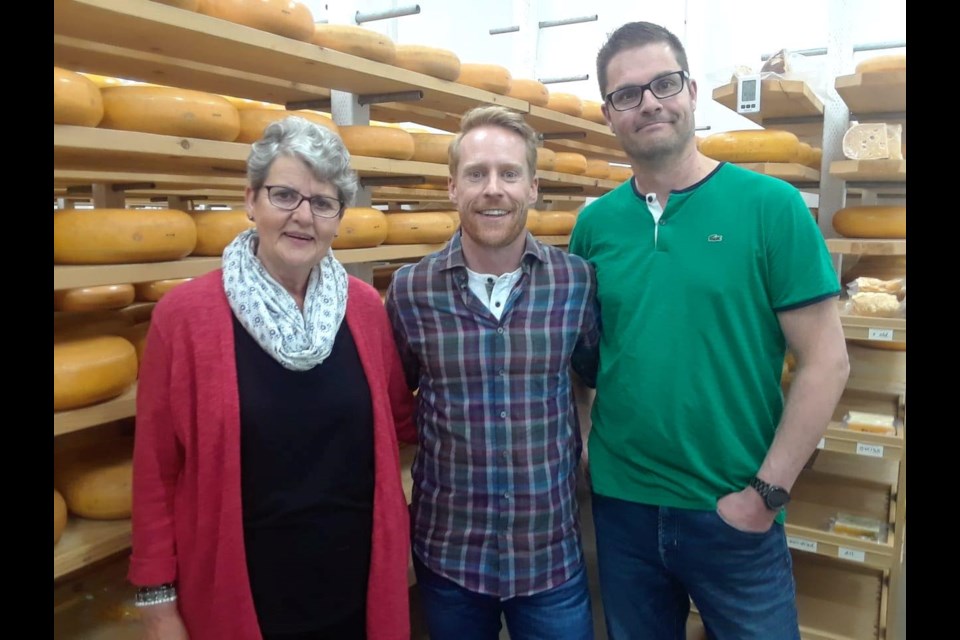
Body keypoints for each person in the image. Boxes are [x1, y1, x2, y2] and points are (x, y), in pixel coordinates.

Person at [568, 21, 851, 640]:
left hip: (733, 514)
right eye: (626, 94)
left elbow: (827, 362)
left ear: (692, 91)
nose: (648, 102)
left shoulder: (771, 208)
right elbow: (584, 362)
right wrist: (587, 442)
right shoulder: (595, 228)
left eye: (663, 83)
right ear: (610, 114)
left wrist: (765, 495)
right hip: (624, 513)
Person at [128, 115, 416, 640]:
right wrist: (157, 602)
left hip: (355, 582)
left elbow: (402, 418)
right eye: (285, 195)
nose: (302, 217)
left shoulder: (365, 311)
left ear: (338, 217)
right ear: (251, 200)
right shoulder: (184, 317)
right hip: (245, 589)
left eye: (323, 203)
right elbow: (155, 469)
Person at [384, 105, 601, 640]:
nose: (493, 189)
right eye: (477, 174)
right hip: (450, 556)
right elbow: (396, 402)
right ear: (453, 187)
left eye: (509, 173)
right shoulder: (412, 291)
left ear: (532, 188)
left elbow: (591, 374)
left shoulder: (575, 283)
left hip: (548, 553)